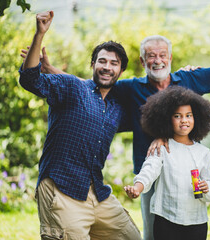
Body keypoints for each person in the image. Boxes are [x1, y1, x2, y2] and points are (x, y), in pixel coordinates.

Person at [24, 18, 210, 240]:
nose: (157, 60)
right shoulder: (131, 88)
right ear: (142, 60)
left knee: (190, 224)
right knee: (152, 233)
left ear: (170, 57)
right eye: (151, 56)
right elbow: (92, 86)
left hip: (187, 173)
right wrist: (52, 70)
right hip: (150, 174)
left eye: (162, 55)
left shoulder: (188, 79)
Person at [19, 11, 141, 239]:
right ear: (93, 64)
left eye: (114, 64)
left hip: (97, 193)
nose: (107, 67)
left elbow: (148, 122)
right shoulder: (71, 87)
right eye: (102, 61)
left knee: (131, 236)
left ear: (121, 71)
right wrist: (40, 34)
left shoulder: (116, 107)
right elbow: (30, 79)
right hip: (61, 187)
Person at [124, 86, 210, 240]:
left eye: (189, 115)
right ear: (167, 119)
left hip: (197, 221)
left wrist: (206, 188)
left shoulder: (203, 153)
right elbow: (149, 170)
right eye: (177, 116)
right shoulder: (162, 147)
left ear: (197, 118)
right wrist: (137, 188)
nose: (184, 120)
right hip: (166, 219)